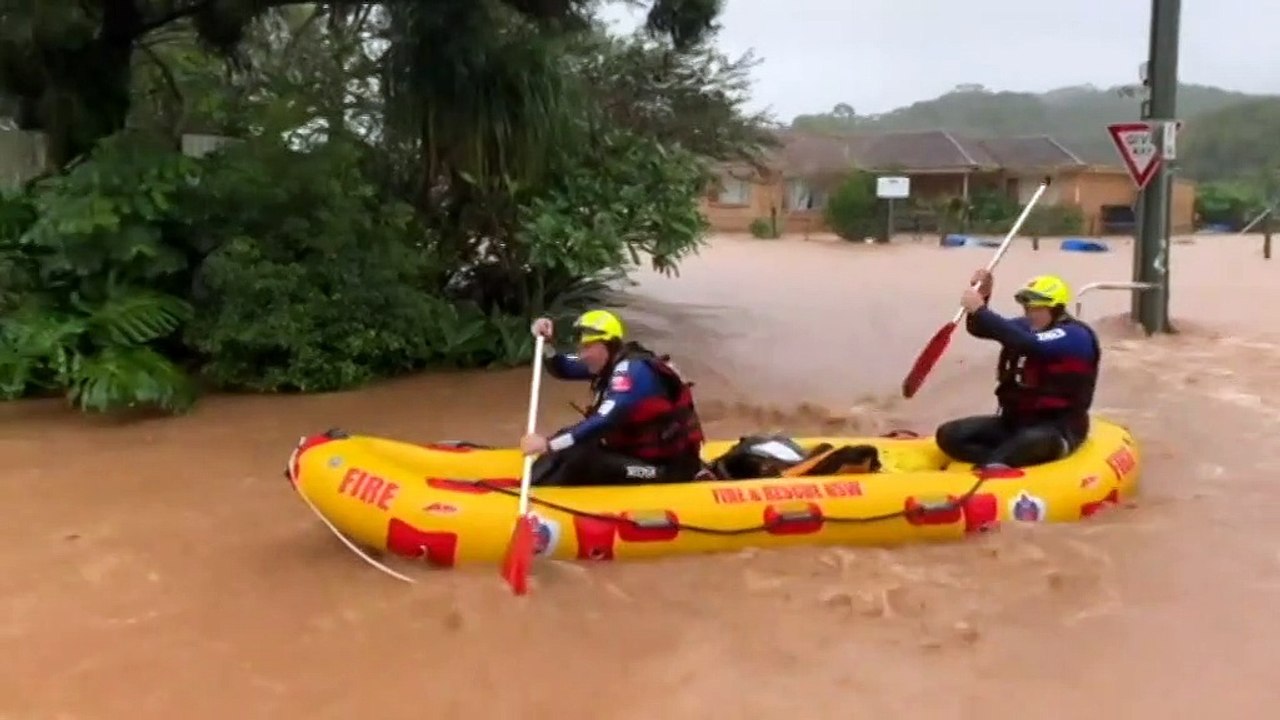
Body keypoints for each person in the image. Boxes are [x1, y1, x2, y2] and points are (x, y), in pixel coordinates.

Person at [934, 270, 1101, 469]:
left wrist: (980, 310)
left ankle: (997, 464)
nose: (1029, 314)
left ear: (1055, 309)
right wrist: (984, 297)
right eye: (1027, 308)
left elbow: (1030, 344)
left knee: (1032, 441)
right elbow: (982, 328)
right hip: (1014, 423)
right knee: (949, 435)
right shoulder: (1027, 326)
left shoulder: (1075, 336)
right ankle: (999, 461)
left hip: (1057, 429)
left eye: (1036, 309)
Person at [519, 309, 706, 486]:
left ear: (608, 345)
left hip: (667, 468)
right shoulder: (609, 363)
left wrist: (548, 444)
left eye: (588, 347)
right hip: (635, 454)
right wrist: (547, 343)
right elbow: (563, 367)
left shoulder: (634, 371)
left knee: (580, 457)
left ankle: (539, 498)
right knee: (567, 443)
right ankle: (529, 486)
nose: (582, 355)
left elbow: (606, 419)